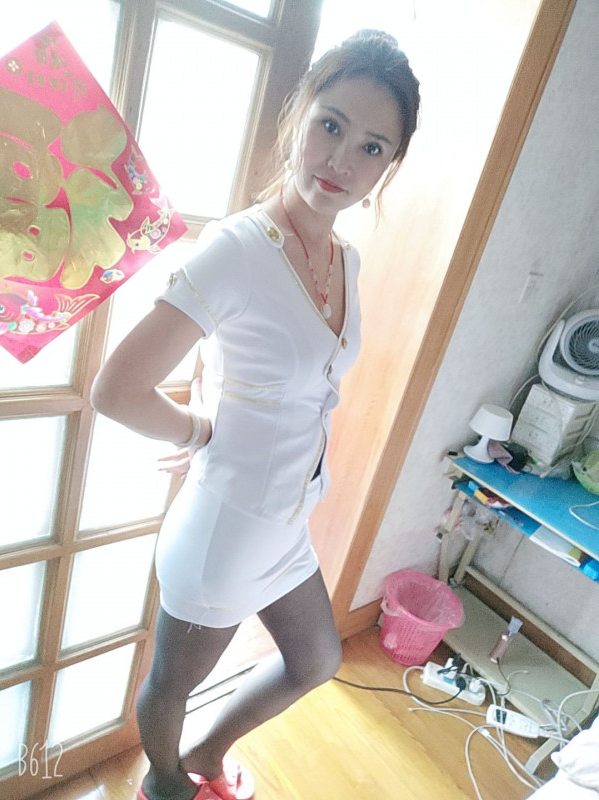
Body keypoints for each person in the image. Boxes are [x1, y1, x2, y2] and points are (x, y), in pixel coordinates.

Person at [91, 29, 420, 800]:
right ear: (299, 113)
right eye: (331, 125)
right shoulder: (237, 250)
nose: (342, 161)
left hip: (286, 522)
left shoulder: (346, 259)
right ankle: (164, 784)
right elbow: (117, 388)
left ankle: (207, 755)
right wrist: (198, 432)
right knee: (170, 684)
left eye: (372, 147)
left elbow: (270, 369)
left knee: (316, 659)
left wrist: (217, 405)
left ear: (389, 164)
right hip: (226, 534)